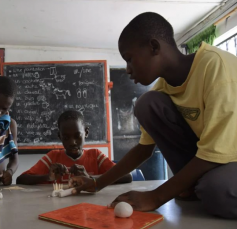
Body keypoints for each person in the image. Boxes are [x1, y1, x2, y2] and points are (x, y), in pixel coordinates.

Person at [69, 12, 237, 219]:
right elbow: (143, 149)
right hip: (215, 160)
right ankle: (193, 186)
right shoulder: (162, 89)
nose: (128, 70)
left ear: (154, 47)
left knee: (218, 191)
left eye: (129, 59)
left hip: (229, 158)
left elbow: (215, 151)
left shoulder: (215, 67)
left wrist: (156, 197)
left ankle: (204, 186)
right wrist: (97, 183)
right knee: (147, 104)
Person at [16, 110, 132, 185]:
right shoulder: (53, 158)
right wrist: (48, 177)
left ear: (86, 133)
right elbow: (20, 179)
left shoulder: (95, 156)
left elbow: (127, 176)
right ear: (59, 136)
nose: (72, 142)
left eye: (77, 136)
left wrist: (90, 178)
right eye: (66, 138)